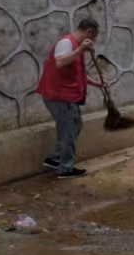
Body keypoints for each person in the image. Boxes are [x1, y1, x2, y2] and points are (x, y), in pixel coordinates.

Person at [36, 18, 107, 179]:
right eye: (94, 36)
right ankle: (65, 169)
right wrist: (80, 50)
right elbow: (60, 62)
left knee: (75, 125)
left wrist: (97, 83)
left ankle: (55, 158)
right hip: (59, 95)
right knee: (68, 130)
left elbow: (77, 71)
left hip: (66, 95)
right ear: (88, 32)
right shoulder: (67, 43)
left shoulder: (75, 46)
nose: (93, 40)